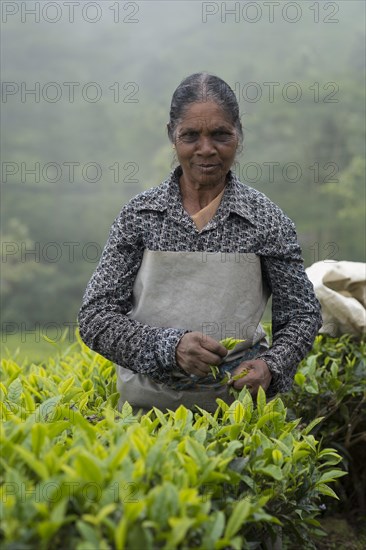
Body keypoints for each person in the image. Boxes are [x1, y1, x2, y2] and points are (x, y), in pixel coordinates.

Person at [78, 72, 322, 414]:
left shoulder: (267, 220)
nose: (206, 149)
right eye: (191, 135)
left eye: (220, 135)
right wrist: (168, 347)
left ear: (238, 135)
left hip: (238, 416)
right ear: (171, 136)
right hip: (145, 417)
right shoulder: (141, 216)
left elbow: (301, 314)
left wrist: (271, 366)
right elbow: (95, 316)